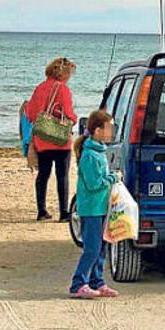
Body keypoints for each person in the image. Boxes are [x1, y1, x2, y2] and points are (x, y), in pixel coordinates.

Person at [68, 109, 120, 299]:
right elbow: (93, 183)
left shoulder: (99, 151)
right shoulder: (90, 155)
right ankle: (78, 283)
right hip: (90, 209)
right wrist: (113, 177)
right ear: (98, 130)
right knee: (91, 248)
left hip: (101, 207)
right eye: (108, 128)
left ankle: (97, 281)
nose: (111, 132)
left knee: (102, 247)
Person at [24, 57, 78, 221]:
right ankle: (63, 212)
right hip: (60, 139)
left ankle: (41, 210)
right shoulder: (63, 89)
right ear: (63, 73)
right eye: (69, 73)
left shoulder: (39, 88)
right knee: (62, 175)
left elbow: (30, 113)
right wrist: (74, 120)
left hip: (42, 138)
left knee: (43, 174)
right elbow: (68, 114)